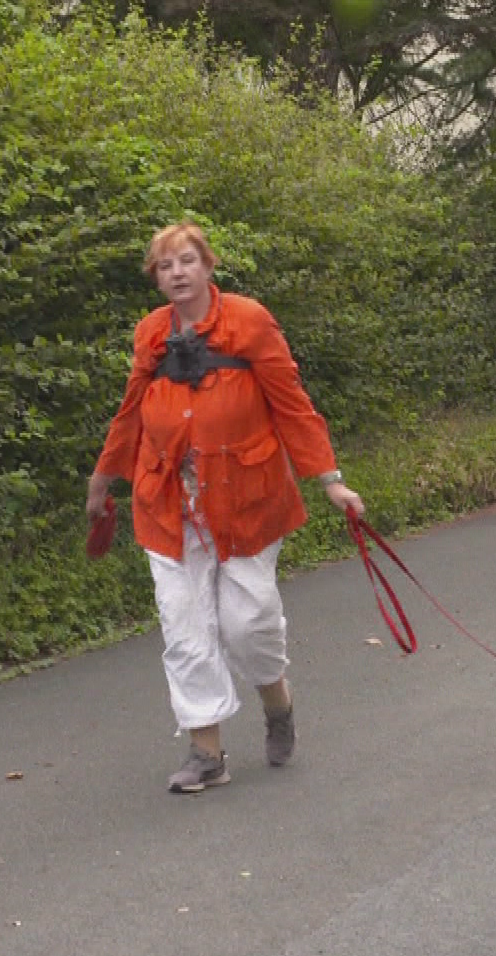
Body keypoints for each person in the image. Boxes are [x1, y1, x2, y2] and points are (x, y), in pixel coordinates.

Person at [87, 222, 364, 793]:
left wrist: (330, 480)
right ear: (156, 278)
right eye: (166, 266)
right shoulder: (150, 334)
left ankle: (277, 701)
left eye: (187, 261)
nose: (178, 273)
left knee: (248, 624)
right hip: (167, 502)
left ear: (209, 266)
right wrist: (103, 479)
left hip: (246, 499)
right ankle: (206, 753)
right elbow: (132, 413)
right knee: (185, 630)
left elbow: (292, 405)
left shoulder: (249, 321)